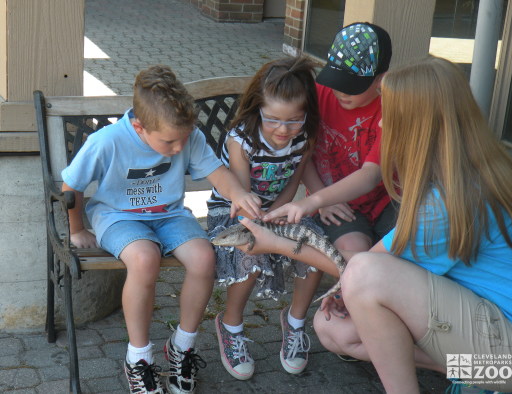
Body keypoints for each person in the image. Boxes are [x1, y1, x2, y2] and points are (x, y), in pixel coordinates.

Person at [236, 56, 512, 393]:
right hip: (494, 336)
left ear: (419, 126)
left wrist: (275, 244)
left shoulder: (446, 202)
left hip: (508, 362)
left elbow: (361, 269)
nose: (383, 125)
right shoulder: (479, 171)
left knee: (363, 277)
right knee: (334, 330)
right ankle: (461, 370)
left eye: (391, 115)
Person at [61, 65, 262, 394]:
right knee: (144, 259)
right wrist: (76, 229)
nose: (179, 148)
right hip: (118, 216)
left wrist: (238, 193)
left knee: (203, 258)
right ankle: (138, 358)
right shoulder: (107, 142)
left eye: (184, 138)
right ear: (139, 127)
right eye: (169, 142)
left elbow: (216, 171)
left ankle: (181, 347)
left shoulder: (187, 135)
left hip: (169, 215)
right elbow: (72, 186)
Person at [207, 56, 323, 380]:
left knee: (314, 243)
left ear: (305, 115)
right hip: (233, 211)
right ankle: (230, 325)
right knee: (249, 250)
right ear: (258, 108)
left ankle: (296, 323)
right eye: (273, 120)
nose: (283, 130)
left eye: (293, 121)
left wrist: (279, 214)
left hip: (278, 209)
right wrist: (262, 226)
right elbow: (240, 194)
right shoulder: (241, 138)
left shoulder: (305, 137)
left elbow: (293, 182)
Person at [266, 22, 396, 262]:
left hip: (387, 201)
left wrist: (313, 200)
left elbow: (371, 175)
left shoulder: (392, 108)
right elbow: (301, 152)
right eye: (337, 81)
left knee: (414, 248)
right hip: (332, 202)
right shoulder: (318, 93)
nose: (341, 92)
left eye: (352, 86)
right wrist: (320, 197)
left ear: (382, 80)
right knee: (354, 251)